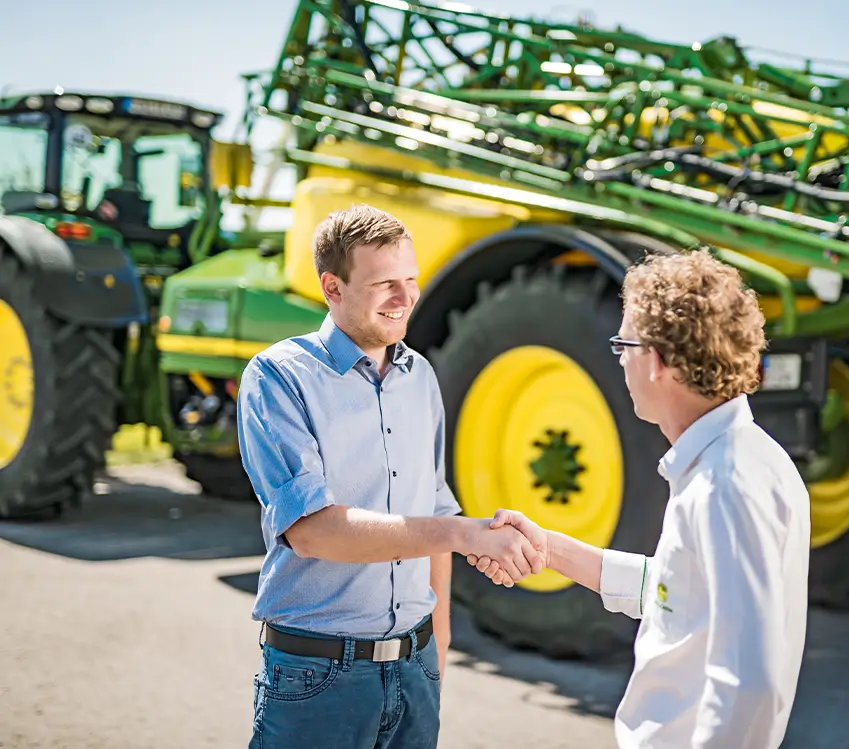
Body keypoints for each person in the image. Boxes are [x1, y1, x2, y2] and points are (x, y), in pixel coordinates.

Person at [468, 249, 811, 749]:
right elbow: (679, 597)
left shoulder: (722, 487)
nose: (621, 358)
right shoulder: (738, 462)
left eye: (622, 344)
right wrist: (550, 550)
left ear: (654, 360)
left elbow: (750, 684)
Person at [236, 203, 543, 749]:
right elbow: (313, 531)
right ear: (333, 287)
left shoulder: (419, 376)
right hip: (319, 676)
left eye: (411, 280)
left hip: (415, 669)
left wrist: (436, 654)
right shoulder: (279, 377)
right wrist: (461, 534)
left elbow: (436, 510)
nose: (406, 299)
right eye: (384, 285)